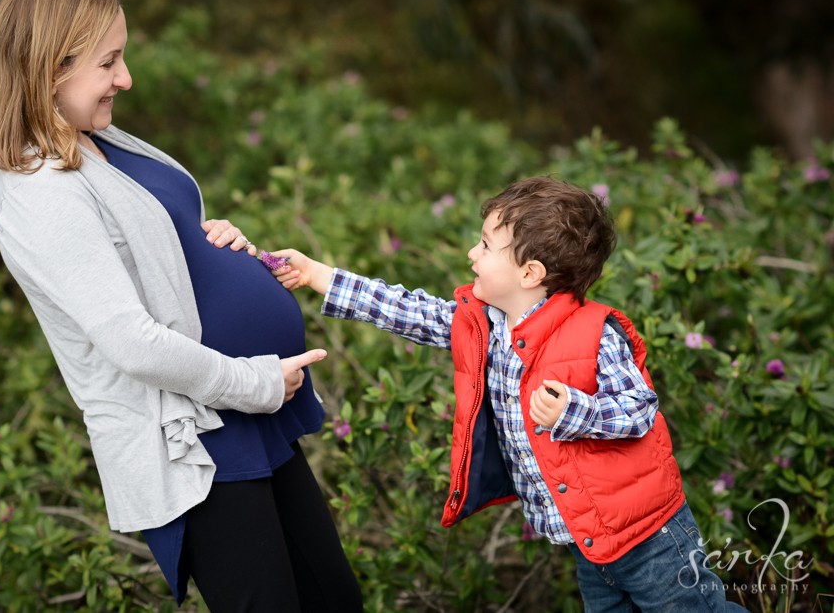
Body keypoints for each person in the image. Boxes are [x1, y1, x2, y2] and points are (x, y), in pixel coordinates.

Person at [0, 0, 361, 612]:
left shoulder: (93, 136)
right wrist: (257, 383)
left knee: (335, 599)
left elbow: (151, 242)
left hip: (246, 414)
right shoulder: (32, 186)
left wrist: (209, 239)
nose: (124, 78)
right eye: (109, 62)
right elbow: (130, 339)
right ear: (49, 68)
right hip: (194, 435)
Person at [270, 176, 748, 611]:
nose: (471, 255)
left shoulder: (593, 333)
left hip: (649, 537)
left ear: (530, 273)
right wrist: (319, 275)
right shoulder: (485, 326)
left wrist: (574, 412)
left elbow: (639, 408)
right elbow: (408, 310)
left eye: (485, 245)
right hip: (588, 540)